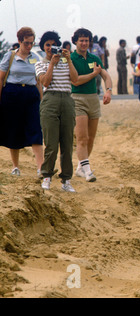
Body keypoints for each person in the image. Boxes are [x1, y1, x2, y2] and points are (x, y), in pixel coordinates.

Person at [35, 31, 78, 192]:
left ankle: (66, 179)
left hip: (67, 99)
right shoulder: (40, 63)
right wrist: (52, 64)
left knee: (67, 142)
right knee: (51, 143)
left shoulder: (67, 62)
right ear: (43, 46)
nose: (50, 48)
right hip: (50, 100)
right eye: (47, 45)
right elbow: (45, 81)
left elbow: (74, 79)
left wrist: (68, 59)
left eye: (53, 45)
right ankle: (46, 176)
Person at [0, 27, 43, 177]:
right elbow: (1, 78)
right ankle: (15, 166)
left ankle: (41, 168)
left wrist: (42, 99)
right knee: (14, 130)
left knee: (35, 129)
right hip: (12, 94)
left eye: (32, 43)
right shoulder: (9, 56)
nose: (29, 46)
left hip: (31, 94)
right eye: (26, 43)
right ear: (19, 41)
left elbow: (38, 81)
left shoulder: (35, 58)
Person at [70, 28, 113, 182]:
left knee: (91, 137)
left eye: (86, 40)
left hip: (93, 99)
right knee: (81, 137)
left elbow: (106, 75)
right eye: (81, 40)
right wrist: (94, 74)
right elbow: (75, 80)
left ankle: (81, 167)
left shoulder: (94, 58)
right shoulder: (71, 58)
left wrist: (108, 90)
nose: (84, 43)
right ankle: (88, 171)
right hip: (77, 99)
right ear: (75, 41)